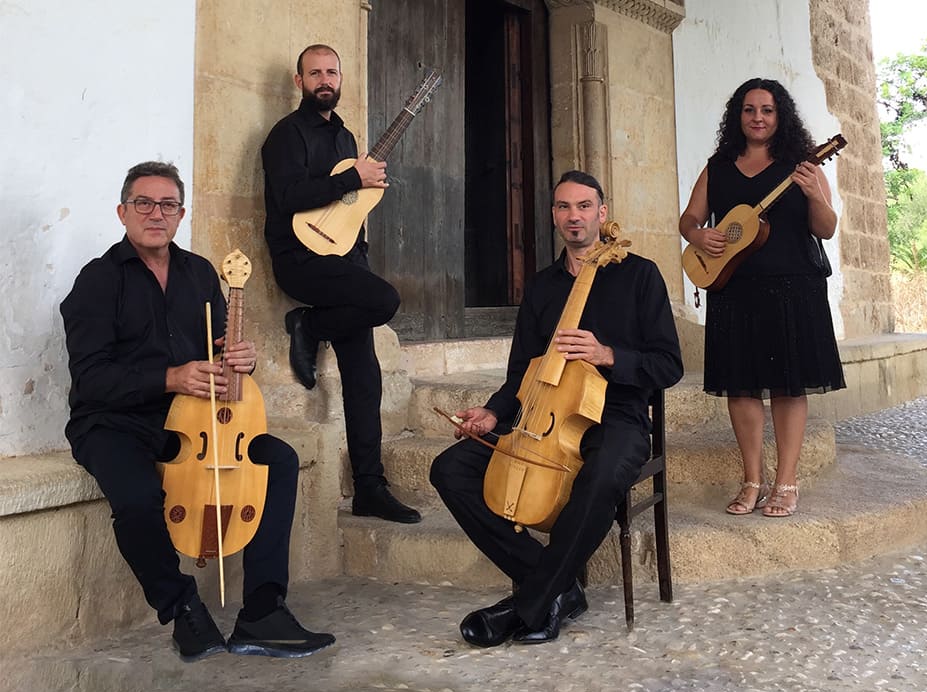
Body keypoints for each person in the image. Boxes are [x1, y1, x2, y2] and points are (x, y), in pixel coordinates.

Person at [60, 161, 335, 662]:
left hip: (196, 423)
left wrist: (240, 359)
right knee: (138, 496)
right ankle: (182, 606)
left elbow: (219, 350)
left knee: (279, 461)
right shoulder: (98, 281)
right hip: (114, 422)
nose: (155, 213)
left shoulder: (200, 273)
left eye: (167, 205)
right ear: (123, 211)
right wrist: (169, 377)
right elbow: (90, 378)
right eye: (143, 203)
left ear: (181, 214)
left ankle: (263, 610)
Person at [429, 171, 683, 647]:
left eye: (584, 206)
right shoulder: (543, 287)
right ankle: (559, 586)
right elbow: (520, 372)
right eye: (564, 207)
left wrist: (607, 355)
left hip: (617, 416)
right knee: (451, 469)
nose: (574, 216)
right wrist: (490, 413)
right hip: (542, 419)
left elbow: (669, 364)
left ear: (601, 214)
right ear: (553, 216)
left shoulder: (639, 274)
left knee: (602, 474)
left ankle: (531, 602)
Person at [261, 43, 420, 524]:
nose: (324, 80)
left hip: (346, 258)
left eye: (331, 72)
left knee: (364, 373)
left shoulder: (347, 136)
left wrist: (363, 191)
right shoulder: (285, 136)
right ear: (299, 81)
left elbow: (349, 208)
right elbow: (289, 197)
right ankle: (309, 323)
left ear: (341, 77)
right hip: (299, 258)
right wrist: (351, 176)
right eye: (315, 73)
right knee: (386, 299)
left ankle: (370, 486)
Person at [678, 78, 846, 518]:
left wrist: (813, 193)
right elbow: (690, 218)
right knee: (741, 386)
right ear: (739, 116)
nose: (757, 118)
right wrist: (700, 234)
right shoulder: (719, 165)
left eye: (767, 110)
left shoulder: (802, 165)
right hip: (734, 287)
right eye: (749, 110)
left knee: (789, 387)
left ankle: (786, 483)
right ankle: (752, 480)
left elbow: (826, 228)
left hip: (794, 287)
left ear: (780, 115)